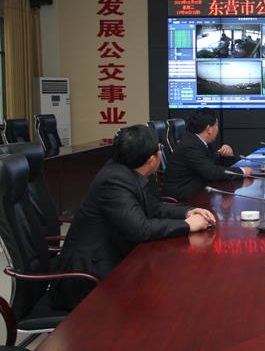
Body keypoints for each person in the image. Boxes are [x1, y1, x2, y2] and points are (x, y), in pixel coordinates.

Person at [49, 125, 215, 310]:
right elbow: (141, 229)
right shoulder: (114, 181)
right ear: (152, 160)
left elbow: (154, 208)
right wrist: (187, 225)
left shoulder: (129, 171)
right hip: (87, 278)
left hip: (112, 259)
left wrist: (189, 212)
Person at [162, 108, 254, 201]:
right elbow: (211, 172)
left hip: (197, 191)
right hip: (183, 198)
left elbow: (212, 165)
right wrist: (242, 171)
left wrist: (227, 156)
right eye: (216, 125)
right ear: (209, 129)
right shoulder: (190, 146)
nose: (217, 129)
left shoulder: (199, 141)